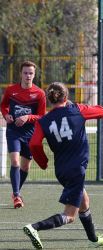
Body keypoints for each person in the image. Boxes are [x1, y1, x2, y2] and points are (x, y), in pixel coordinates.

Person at [24, 82, 103, 249]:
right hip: (76, 170)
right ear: (66, 97)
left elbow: (34, 144)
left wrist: (43, 163)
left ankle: (93, 239)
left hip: (61, 169)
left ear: (50, 100)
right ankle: (34, 227)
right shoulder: (77, 110)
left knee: (84, 201)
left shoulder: (43, 121)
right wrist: (78, 106)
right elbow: (101, 111)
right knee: (69, 216)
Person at [0, 61, 46, 208]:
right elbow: (3, 105)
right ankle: (17, 196)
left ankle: (16, 192)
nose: (28, 76)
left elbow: (41, 116)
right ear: (20, 73)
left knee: (25, 167)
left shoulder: (40, 94)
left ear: (34, 74)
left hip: (30, 133)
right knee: (15, 162)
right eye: (25, 73)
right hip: (13, 131)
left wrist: (28, 117)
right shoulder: (11, 90)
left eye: (31, 73)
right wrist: (6, 115)